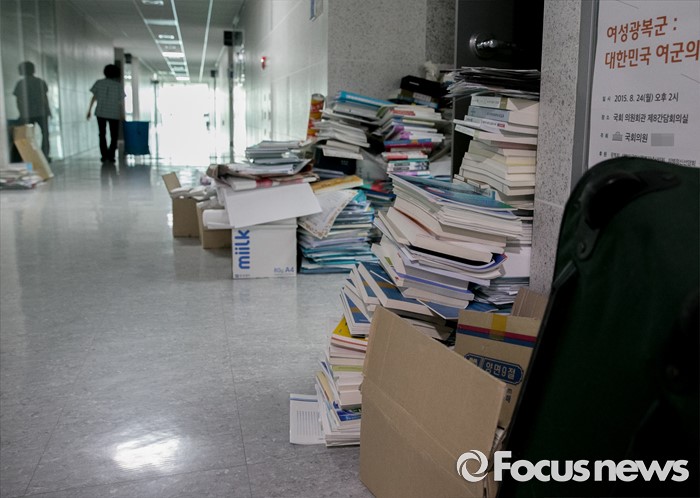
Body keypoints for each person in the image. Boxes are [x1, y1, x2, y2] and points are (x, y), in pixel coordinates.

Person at [13, 61, 52, 160]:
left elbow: (19, 101)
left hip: (28, 113)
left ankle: (30, 155)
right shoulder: (40, 82)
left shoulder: (20, 83)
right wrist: (48, 111)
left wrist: (21, 113)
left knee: (27, 136)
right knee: (45, 134)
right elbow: (44, 98)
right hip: (41, 112)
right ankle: (44, 155)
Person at [87, 64, 124, 163]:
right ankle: (111, 155)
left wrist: (89, 110)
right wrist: (122, 114)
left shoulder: (99, 83)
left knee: (102, 134)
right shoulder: (118, 86)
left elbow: (94, 97)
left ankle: (104, 155)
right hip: (114, 113)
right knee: (114, 135)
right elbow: (120, 102)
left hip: (101, 112)